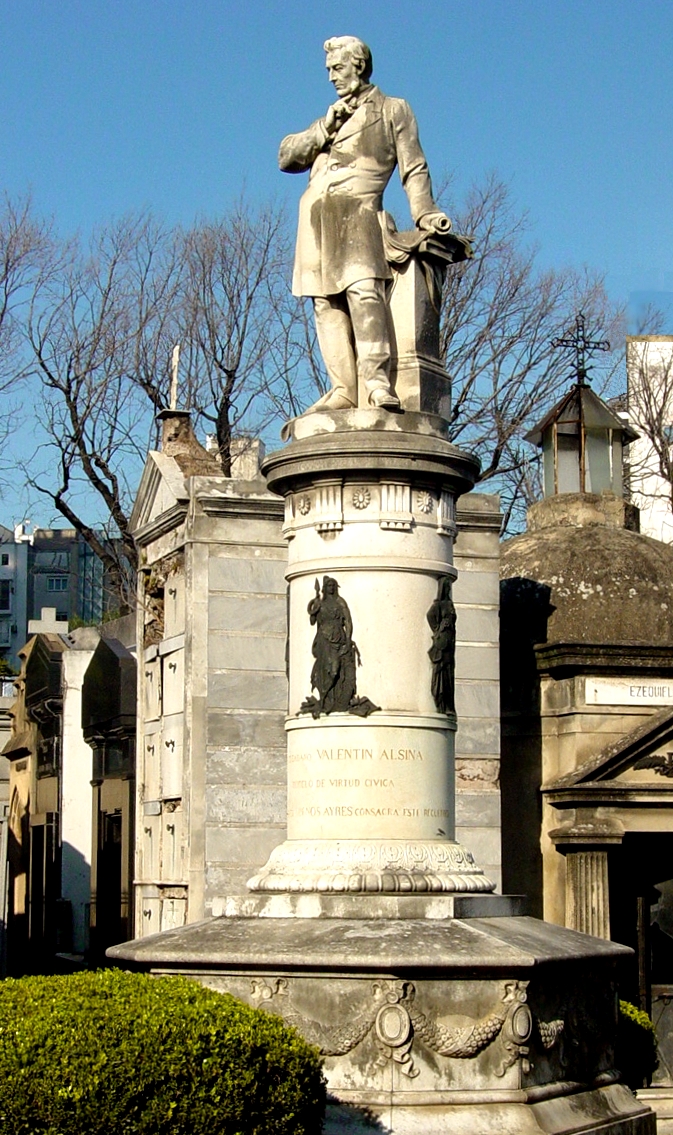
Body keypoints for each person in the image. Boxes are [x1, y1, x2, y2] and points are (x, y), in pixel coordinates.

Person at [279, 36, 451, 412]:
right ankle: (342, 388)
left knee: (363, 294)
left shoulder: (392, 110)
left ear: (358, 66)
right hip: (314, 222)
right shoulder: (327, 119)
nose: (331, 78)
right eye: (328, 71)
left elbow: (414, 167)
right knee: (325, 305)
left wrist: (425, 212)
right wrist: (323, 128)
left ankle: (376, 383)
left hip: (358, 214)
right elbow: (286, 157)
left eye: (337, 69)